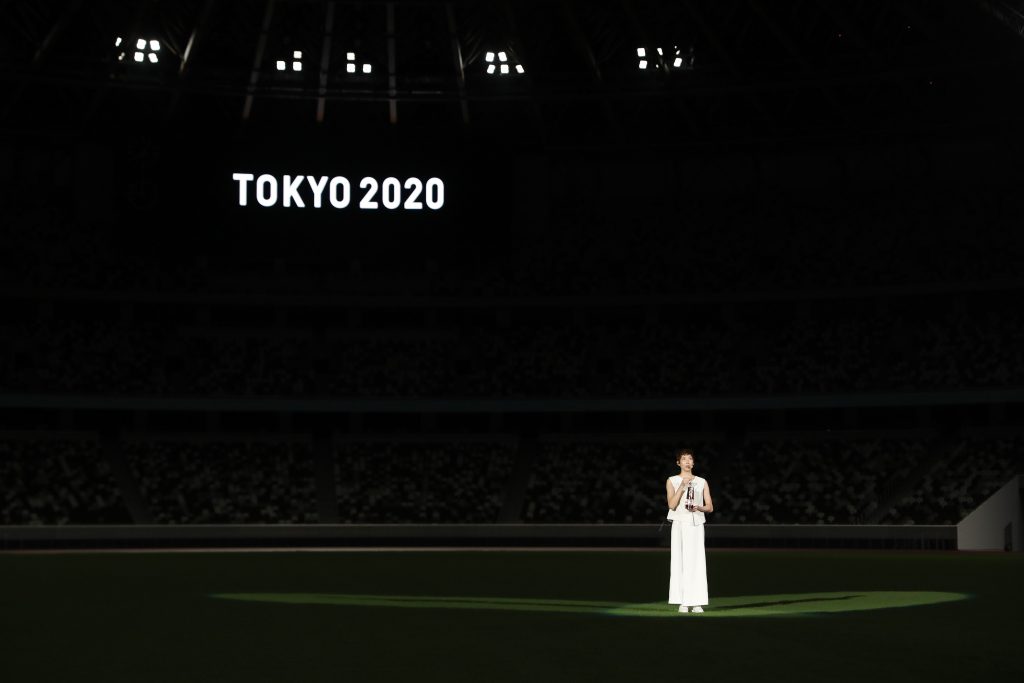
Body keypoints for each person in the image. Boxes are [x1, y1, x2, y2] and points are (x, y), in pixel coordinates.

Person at [665, 448, 713, 613]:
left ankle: (697, 601)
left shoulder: (702, 481)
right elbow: (671, 505)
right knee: (680, 561)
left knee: (698, 561)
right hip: (679, 523)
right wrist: (682, 487)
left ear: (693, 462)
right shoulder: (672, 480)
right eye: (684, 459)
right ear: (678, 462)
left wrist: (698, 507)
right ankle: (684, 601)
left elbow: (710, 507)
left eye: (690, 459)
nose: (687, 462)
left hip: (696, 524)